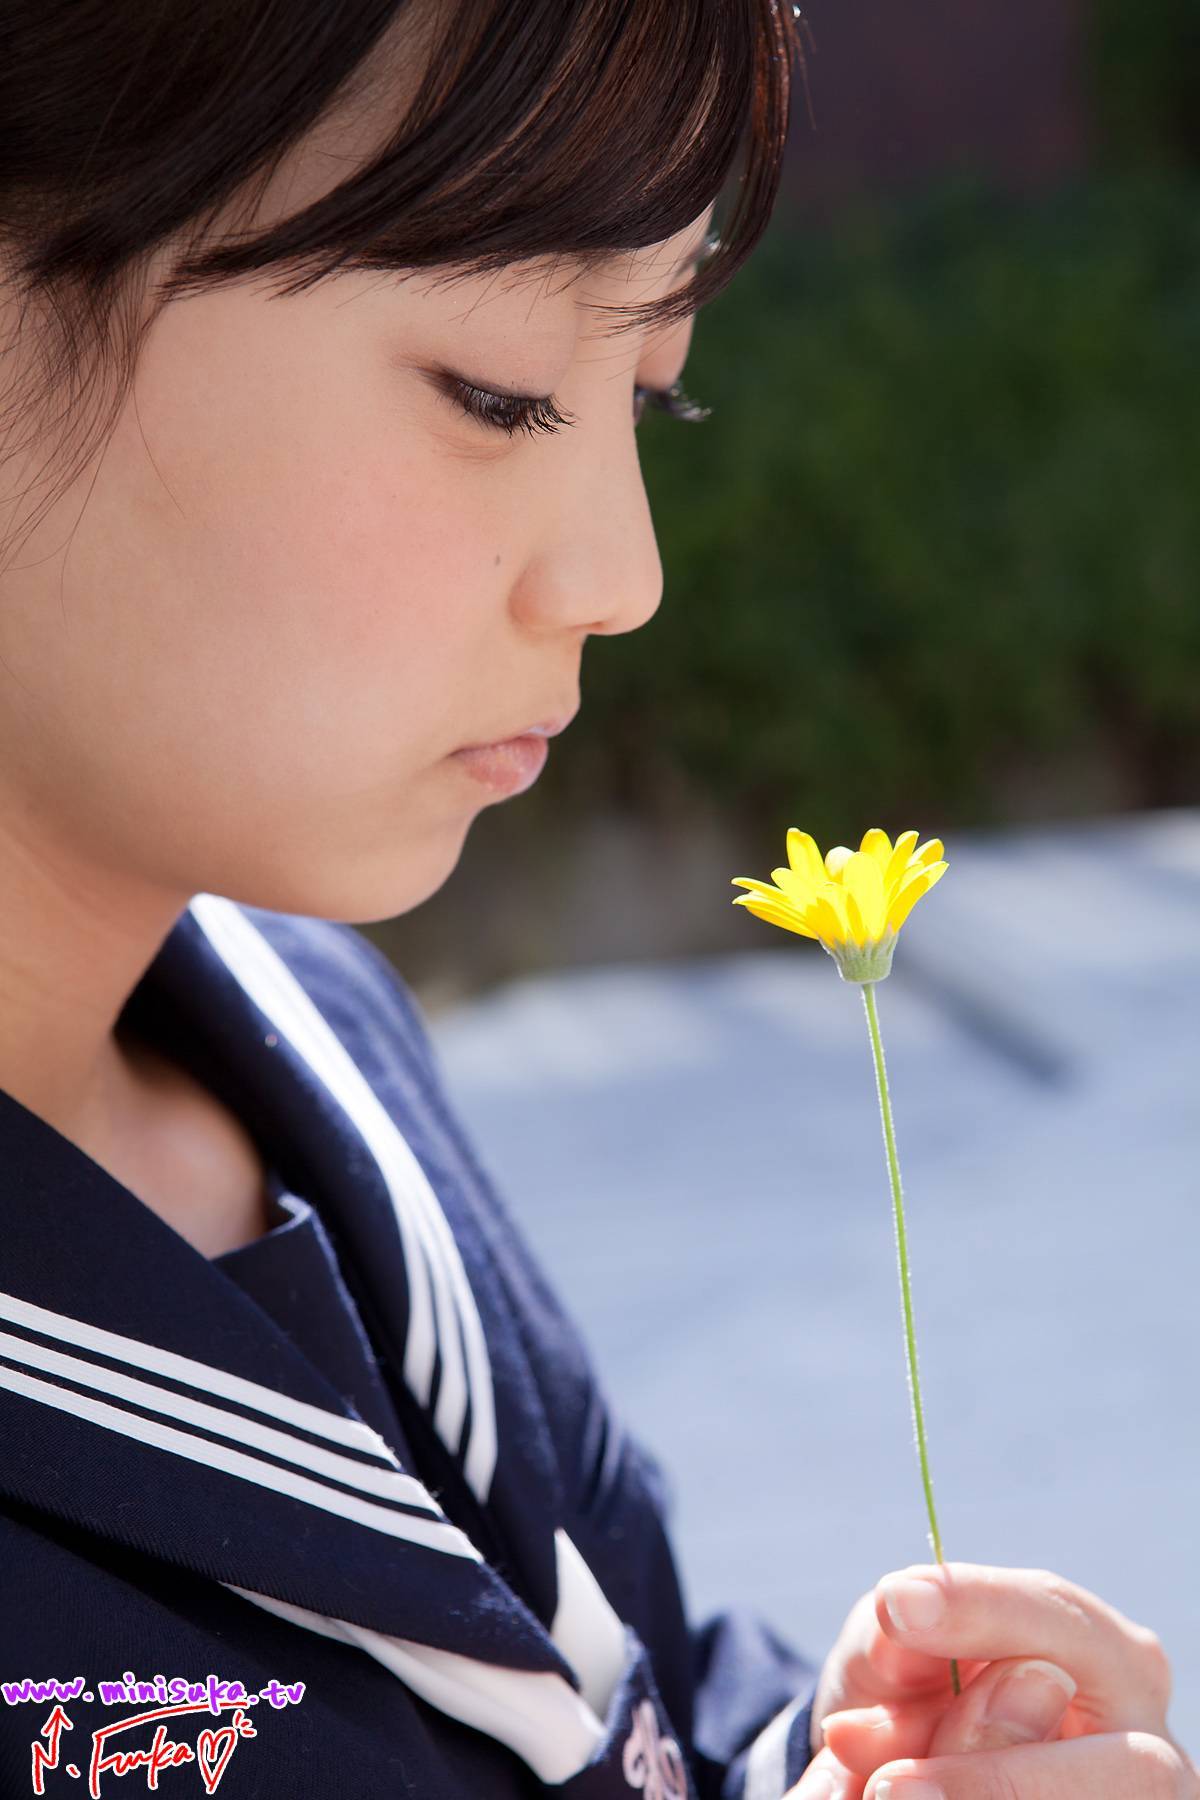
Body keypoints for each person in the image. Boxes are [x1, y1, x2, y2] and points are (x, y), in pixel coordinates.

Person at [0, 2, 1193, 1796]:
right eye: (495, 394)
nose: (621, 576)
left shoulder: (318, 1036)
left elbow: (605, 1703)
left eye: (647, 395)